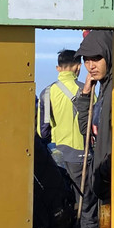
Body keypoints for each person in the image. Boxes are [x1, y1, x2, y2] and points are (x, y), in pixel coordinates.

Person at [73, 30, 113, 228]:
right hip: (104, 182)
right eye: (86, 60)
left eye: (96, 58)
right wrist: (86, 94)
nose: (90, 65)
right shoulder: (102, 89)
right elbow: (87, 130)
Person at [36, 50, 85, 189]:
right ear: (78, 66)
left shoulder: (46, 92)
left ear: (58, 68)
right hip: (80, 154)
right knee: (84, 199)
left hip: (56, 155)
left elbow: (43, 131)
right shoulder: (85, 90)